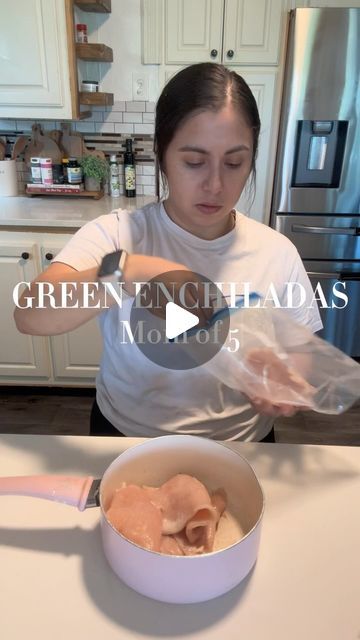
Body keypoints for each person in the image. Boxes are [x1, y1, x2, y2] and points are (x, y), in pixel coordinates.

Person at [14, 63, 322, 442]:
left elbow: (301, 353)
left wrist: (285, 380)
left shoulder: (276, 251)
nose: (215, 184)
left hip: (242, 446)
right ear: (162, 154)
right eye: (193, 162)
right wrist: (129, 271)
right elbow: (31, 315)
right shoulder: (118, 234)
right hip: (126, 437)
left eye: (234, 163)